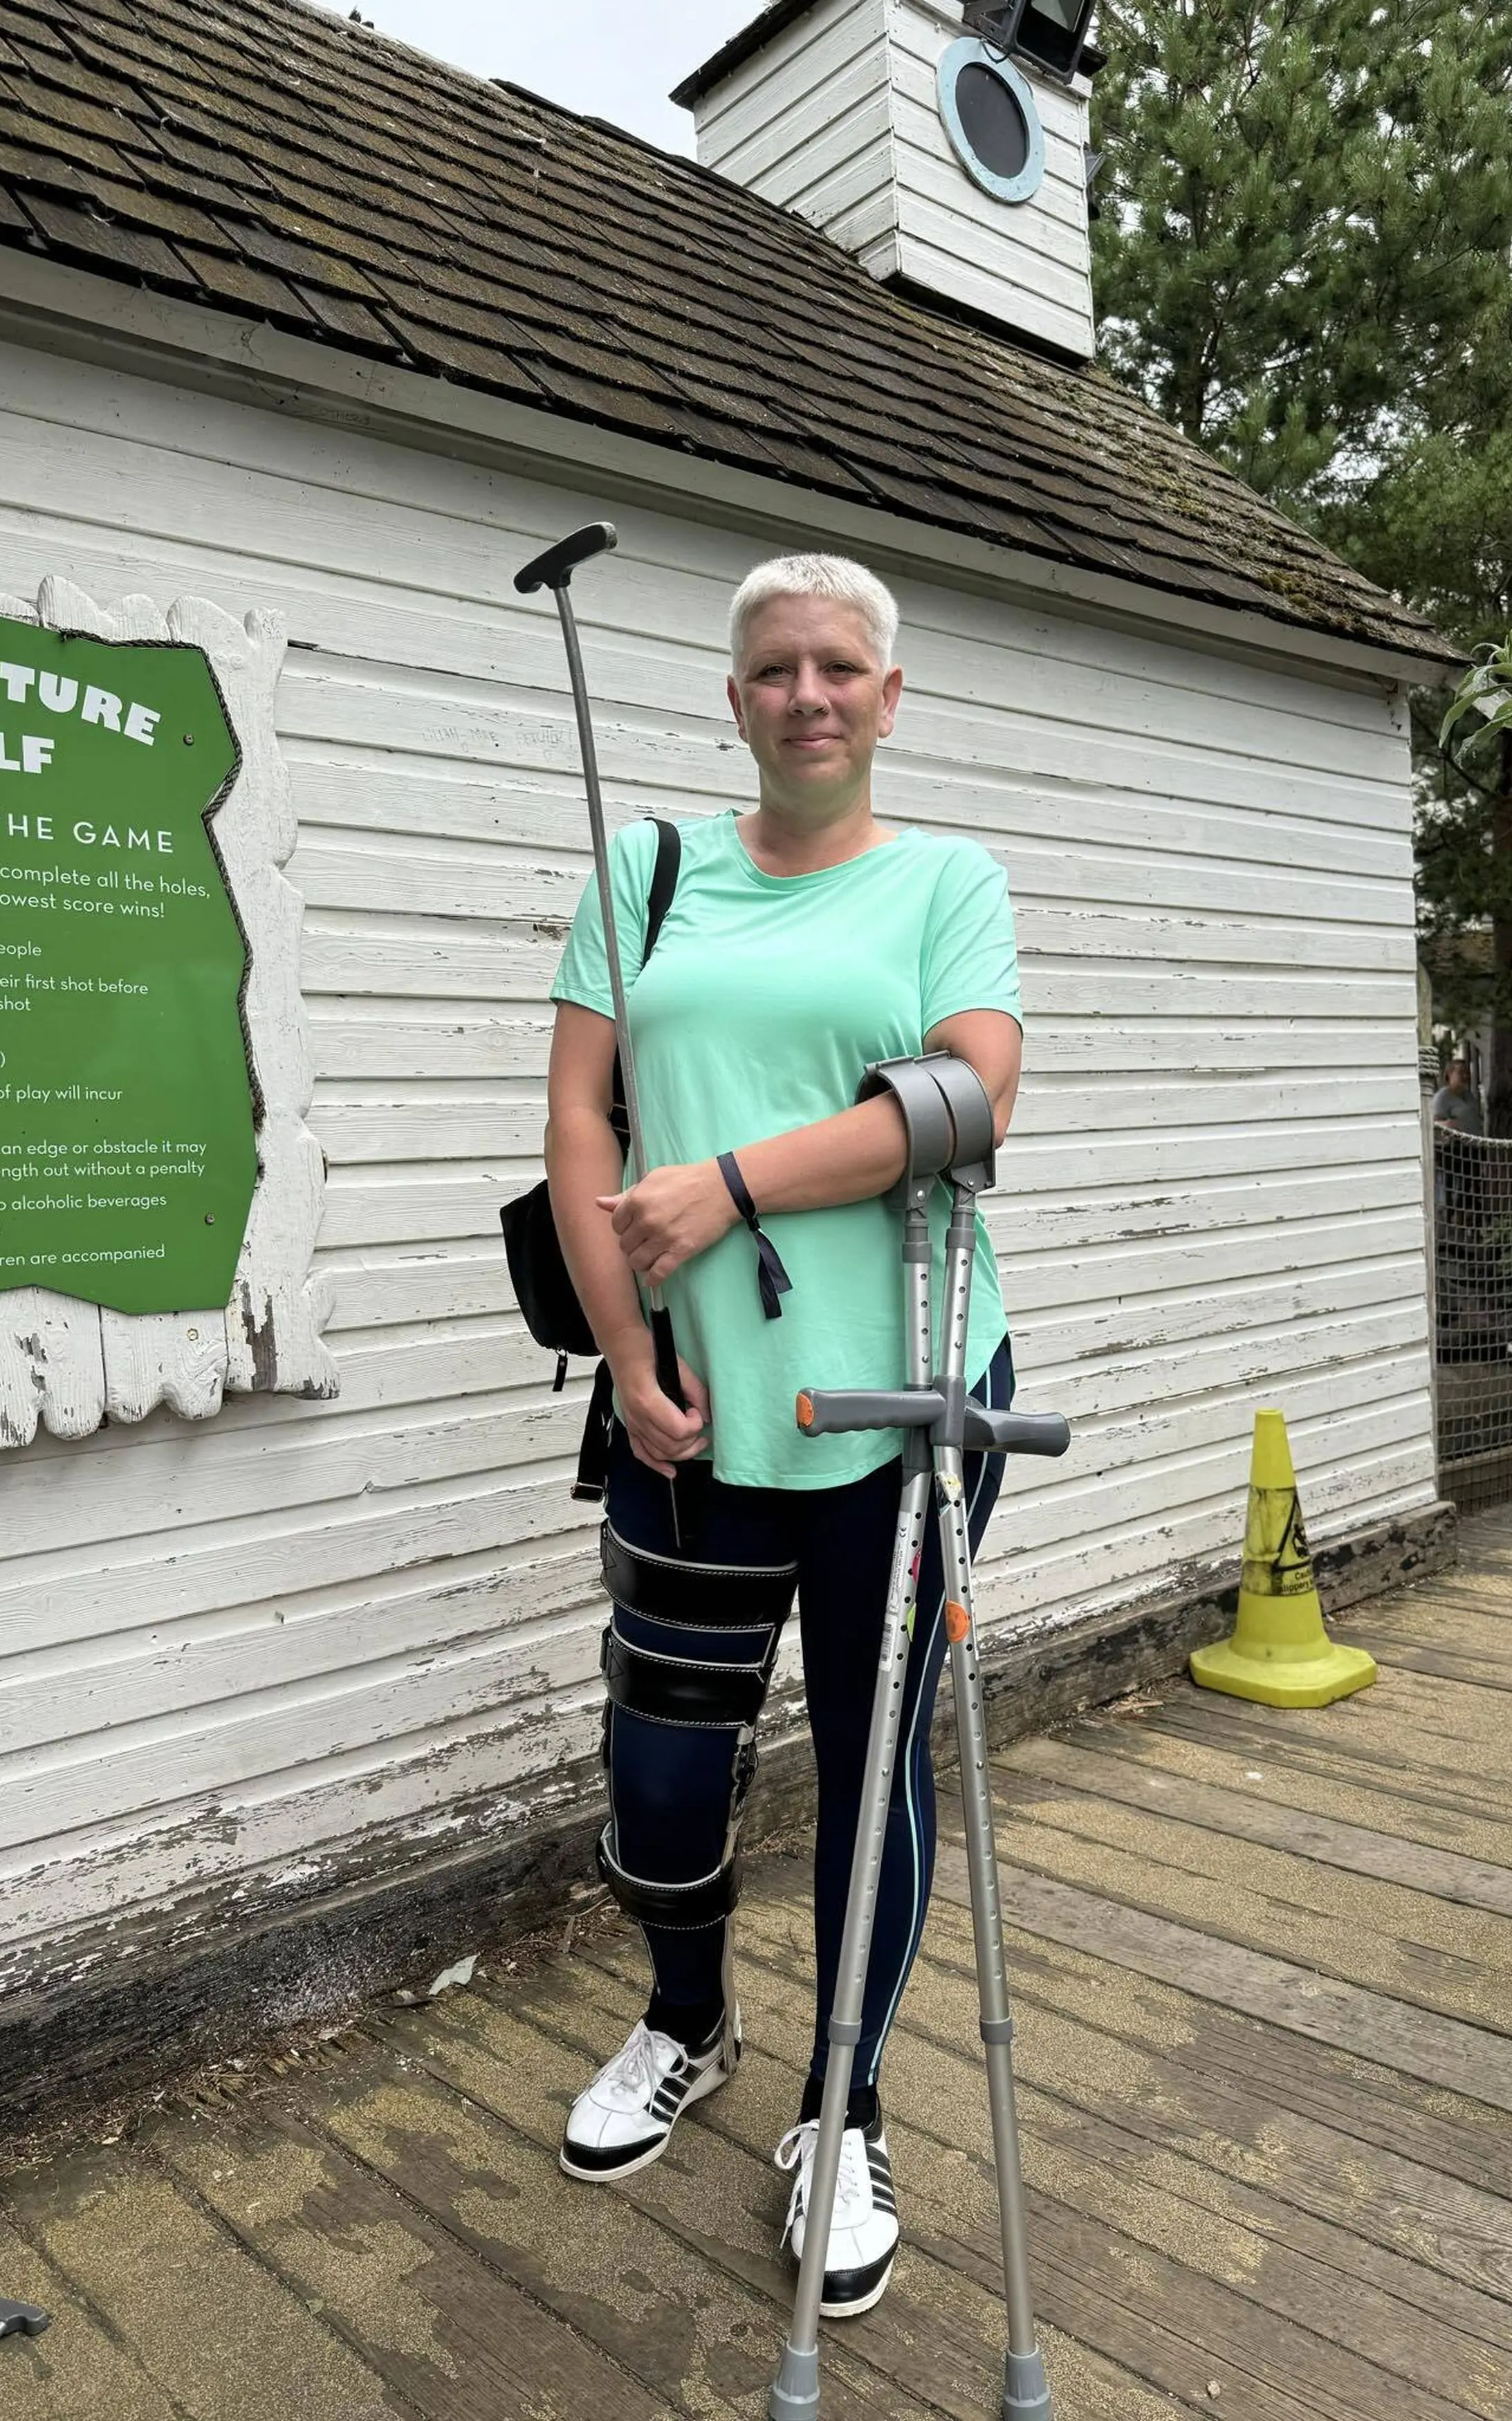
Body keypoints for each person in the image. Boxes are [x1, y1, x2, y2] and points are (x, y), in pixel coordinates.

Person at [542, 553, 1023, 2321]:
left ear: (888, 700)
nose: (807, 693)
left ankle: (845, 2107)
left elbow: (970, 1097)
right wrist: (622, 1342)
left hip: (906, 1398)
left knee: (871, 1770)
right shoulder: (645, 874)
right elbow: (580, 1132)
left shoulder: (946, 884)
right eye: (773, 669)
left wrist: (733, 1184)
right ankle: (687, 2020)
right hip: (689, 1405)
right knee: (663, 1779)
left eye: (840, 667)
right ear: (732, 699)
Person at [1430, 1056, 1482, 1134]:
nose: (1465, 1076)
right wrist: (1448, 1125)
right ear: (1450, 1074)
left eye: (1467, 1073)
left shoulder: (1469, 1096)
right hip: (1455, 1145)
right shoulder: (1441, 1098)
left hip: (1475, 1144)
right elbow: (1433, 1126)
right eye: (1461, 1072)